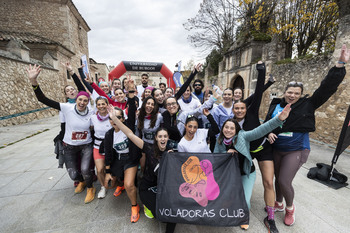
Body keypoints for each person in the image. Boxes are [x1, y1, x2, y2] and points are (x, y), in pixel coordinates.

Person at [265, 44, 348, 227]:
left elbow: (326, 88)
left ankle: (290, 208)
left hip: (296, 149)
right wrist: (269, 132)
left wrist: (340, 64)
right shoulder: (275, 105)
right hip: (276, 149)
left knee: (285, 180)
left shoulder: (308, 104)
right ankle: (278, 203)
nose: (292, 95)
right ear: (285, 92)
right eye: (289, 92)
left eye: (296, 93)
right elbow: (265, 124)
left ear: (301, 95)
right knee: (277, 178)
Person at [214, 103, 291, 230]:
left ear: (237, 130)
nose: (228, 130)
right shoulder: (220, 142)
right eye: (226, 127)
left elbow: (260, 130)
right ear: (222, 129)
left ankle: (244, 216)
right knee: (222, 198)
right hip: (230, 175)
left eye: (232, 128)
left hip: (246, 173)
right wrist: (225, 153)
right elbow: (215, 159)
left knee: (244, 203)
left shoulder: (243, 136)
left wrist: (279, 119)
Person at [27, 64, 96, 204]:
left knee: (85, 169)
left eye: (85, 100)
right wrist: (34, 82)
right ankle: (81, 182)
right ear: (75, 100)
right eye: (80, 100)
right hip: (69, 146)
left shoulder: (90, 111)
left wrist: (73, 72)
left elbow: (83, 90)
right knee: (73, 174)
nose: (82, 102)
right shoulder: (66, 108)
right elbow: (42, 99)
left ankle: (90, 188)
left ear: (88, 102)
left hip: (86, 145)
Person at [107, 108, 176, 233]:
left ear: (168, 138)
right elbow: (130, 134)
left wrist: (171, 158)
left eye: (165, 136)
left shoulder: (171, 153)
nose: (162, 139)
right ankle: (147, 207)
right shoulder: (148, 148)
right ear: (155, 138)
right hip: (148, 188)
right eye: (160, 136)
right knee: (160, 214)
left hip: (163, 188)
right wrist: (115, 118)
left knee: (171, 215)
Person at [233, 62, 279, 232]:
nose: (239, 111)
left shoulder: (252, 113)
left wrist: (262, 72)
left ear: (246, 108)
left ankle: (271, 218)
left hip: (263, 149)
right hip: (247, 154)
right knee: (241, 178)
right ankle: (241, 203)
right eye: (236, 108)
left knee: (268, 181)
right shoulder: (232, 124)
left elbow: (258, 93)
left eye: (241, 108)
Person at [104, 78, 141, 223]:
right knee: (109, 184)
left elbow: (131, 108)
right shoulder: (109, 134)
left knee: (129, 184)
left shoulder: (128, 127)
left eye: (118, 118)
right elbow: (108, 153)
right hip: (117, 160)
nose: (115, 120)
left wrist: (130, 91)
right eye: (112, 118)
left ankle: (134, 206)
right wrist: (107, 172)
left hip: (130, 159)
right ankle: (119, 182)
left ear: (123, 119)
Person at [90, 96, 112, 199]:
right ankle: (103, 187)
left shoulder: (112, 116)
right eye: (98, 104)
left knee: (112, 168)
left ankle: (115, 183)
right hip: (98, 146)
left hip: (111, 146)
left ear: (107, 104)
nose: (101, 106)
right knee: (99, 170)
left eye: (103, 104)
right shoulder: (93, 118)